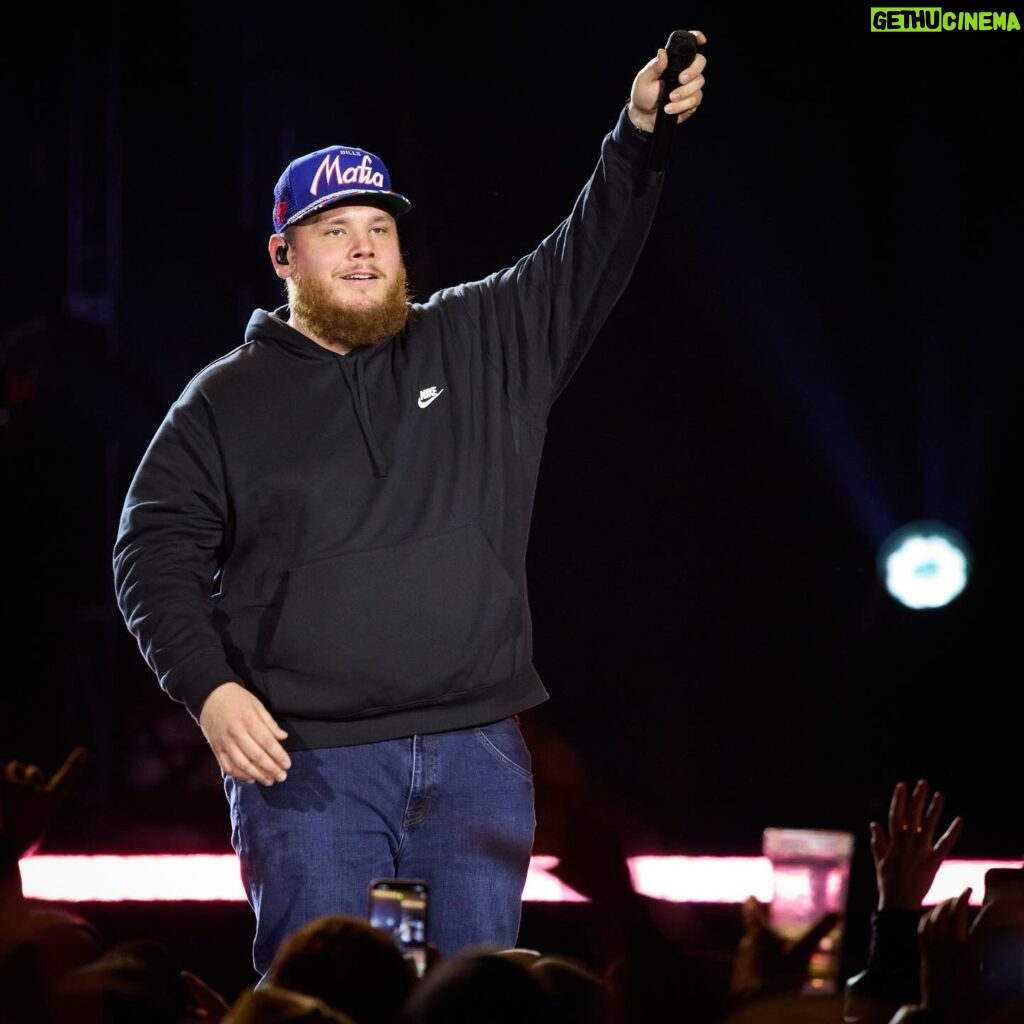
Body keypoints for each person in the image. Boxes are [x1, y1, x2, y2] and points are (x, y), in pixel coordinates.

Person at [111, 28, 708, 983]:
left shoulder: (479, 339)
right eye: (334, 230)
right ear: (283, 255)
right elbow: (150, 553)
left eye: (378, 229)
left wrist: (639, 135)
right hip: (310, 769)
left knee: (478, 1004)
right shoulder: (225, 397)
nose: (362, 251)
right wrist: (210, 689)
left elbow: (586, 249)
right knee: (323, 1005)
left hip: (478, 756)